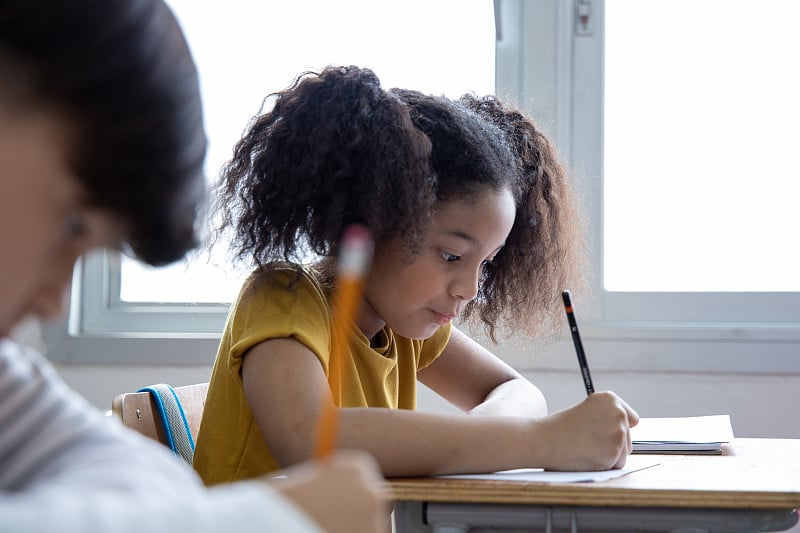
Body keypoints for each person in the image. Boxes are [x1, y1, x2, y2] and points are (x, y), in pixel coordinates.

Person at [0, 3, 387, 532]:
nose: (54, 304)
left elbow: (148, 479)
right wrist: (264, 519)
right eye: (72, 226)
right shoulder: (282, 298)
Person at [192, 65, 639, 484]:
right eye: (450, 256)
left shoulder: (406, 329)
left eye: (485, 262)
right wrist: (546, 441)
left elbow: (516, 390)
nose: (469, 289)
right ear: (370, 222)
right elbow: (311, 439)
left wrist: (490, 440)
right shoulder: (282, 298)